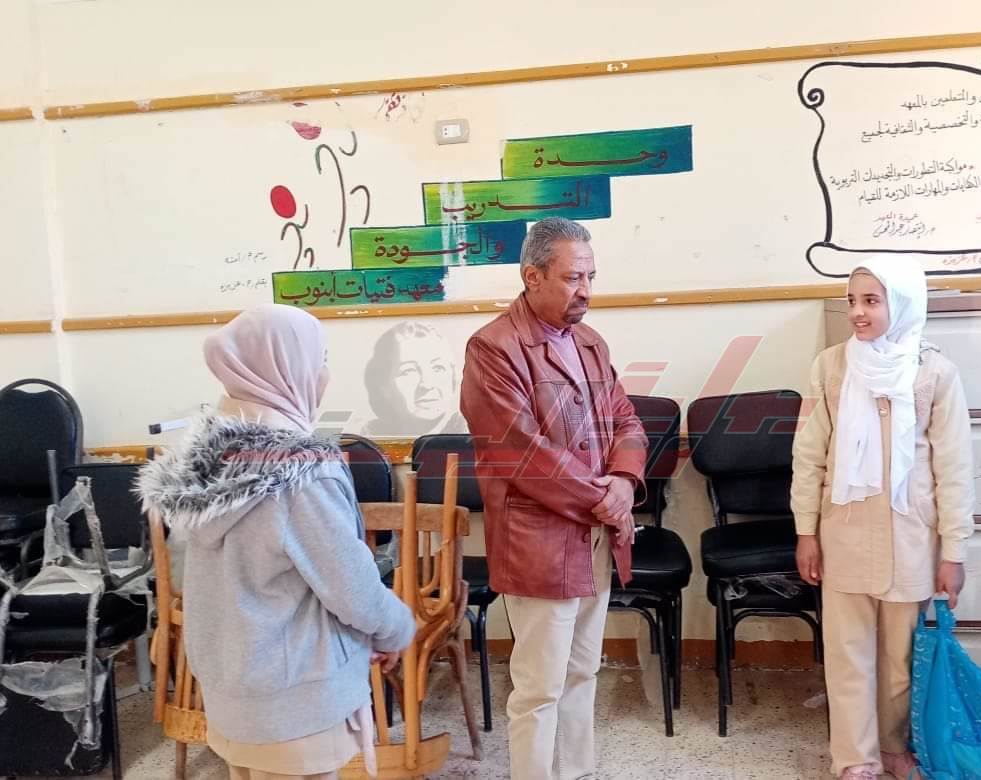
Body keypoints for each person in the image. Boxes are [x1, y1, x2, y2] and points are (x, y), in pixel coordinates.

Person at [137, 304, 415, 780]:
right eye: (320, 360)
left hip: (233, 698)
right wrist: (396, 629)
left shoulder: (206, 462)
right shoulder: (303, 471)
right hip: (297, 705)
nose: (324, 375)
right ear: (287, 369)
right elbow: (352, 589)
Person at [459, 217, 648, 780]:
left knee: (584, 671)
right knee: (539, 686)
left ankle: (576, 772)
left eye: (591, 277)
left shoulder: (590, 343)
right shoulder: (493, 348)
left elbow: (626, 420)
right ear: (532, 275)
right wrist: (605, 500)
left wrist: (623, 481)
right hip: (539, 542)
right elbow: (521, 453)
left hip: (595, 535)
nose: (585, 290)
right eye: (572, 278)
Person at [791, 258, 975, 780]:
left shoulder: (935, 372)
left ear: (903, 304)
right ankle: (856, 757)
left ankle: (893, 747)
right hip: (843, 530)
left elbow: (954, 467)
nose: (857, 312)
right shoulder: (832, 366)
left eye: (871, 301)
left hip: (910, 535)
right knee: (847, 653)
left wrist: (954, 550)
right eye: (852, 300)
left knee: (900, 659)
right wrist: (806, 531)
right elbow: (809, 455)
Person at [361, 320, 466, 437]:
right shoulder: (362, 440)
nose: (427, 384)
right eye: (408, 371)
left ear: (453, 377)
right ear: (383, 386)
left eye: (438, 368)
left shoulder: (474, 436)